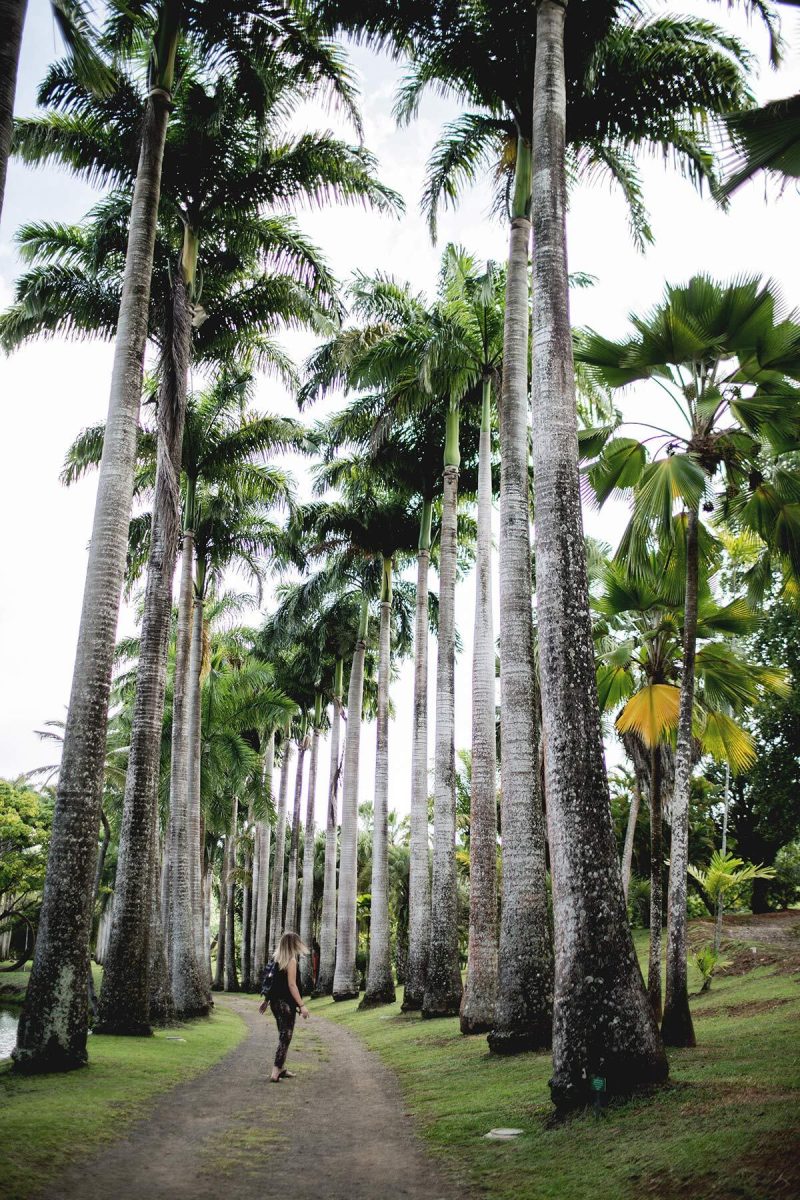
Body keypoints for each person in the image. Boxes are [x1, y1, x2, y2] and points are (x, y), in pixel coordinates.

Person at [260, 932, 309, 1082]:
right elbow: (292, 985)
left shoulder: (276, 959)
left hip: (275, 1004)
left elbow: (272, 983)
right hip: (286, 1004)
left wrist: (266, 1001)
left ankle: (280, 1068)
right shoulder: (291, 961)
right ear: (294, 944)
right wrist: (302, 1005)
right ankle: (275, 1071)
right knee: (285, 1037)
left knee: (283, 1035)